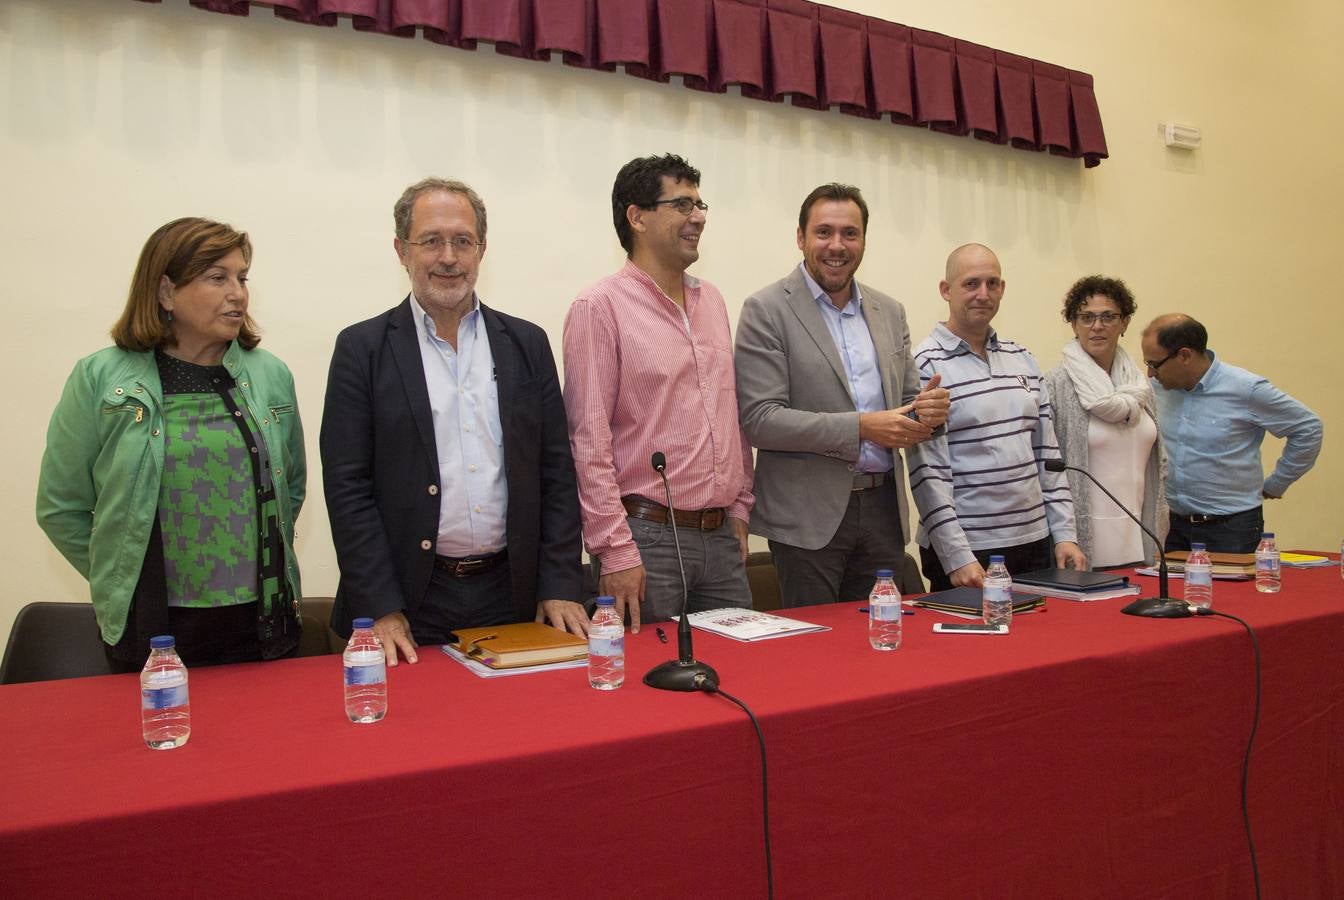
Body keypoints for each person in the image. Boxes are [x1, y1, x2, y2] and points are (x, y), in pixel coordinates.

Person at [322, 178, 586, 666]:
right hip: (409, 601)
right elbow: (347, 488)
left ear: (481, 250)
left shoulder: (527, 344)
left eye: (462, 241)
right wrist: (381, 606)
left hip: (515, 593)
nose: (448, 257)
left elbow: (556, 474)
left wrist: (560, 583)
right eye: (431, 241)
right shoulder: (362, 350)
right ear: (402, 250)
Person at [37, 217, 305, 671]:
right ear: (165, 292)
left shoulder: (270, 375)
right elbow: (60, 506)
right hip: (153, 625)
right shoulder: (101, 378)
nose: (238, 292)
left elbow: (291, 486)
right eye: (217, 278)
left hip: (260, 622)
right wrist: (124, 580)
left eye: (241, 277)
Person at [563, 153, 754, 632]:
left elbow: (728, 414)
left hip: (722, 538)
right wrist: (614, 548)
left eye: (701, 204)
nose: (700, 217)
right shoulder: (598, 307)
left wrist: (740, 506)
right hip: (646, 539)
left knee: (750, 680)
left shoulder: (712, 300)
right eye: (683, 205)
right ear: (637, 216)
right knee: (654, 692)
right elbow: (588, 442)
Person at [735, 183, 950, 606]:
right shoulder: (766, 310)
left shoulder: (890, 311)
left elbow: (908, 405)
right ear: (801, 237)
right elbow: (760, 419)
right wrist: (863, 427)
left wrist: (929, 412)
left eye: (850, 233)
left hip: (883, 510)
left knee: (883, 645)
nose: (837, 245)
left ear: (864, 240)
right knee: (818, 655)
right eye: (824, 232)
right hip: (806, 520)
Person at [907, 243, 1087, 590]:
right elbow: (928, 475)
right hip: (969, 552)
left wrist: (1065, 533)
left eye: (993, 283)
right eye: (971, 284)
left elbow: (1048, 458)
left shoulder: (1023, 359)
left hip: (1035, 541)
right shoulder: (923, 366)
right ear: (946, 290)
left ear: (1002, 288)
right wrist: (956, 556)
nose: (983, 294)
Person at [1140, 314, 1322, 553]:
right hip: (1170, 525)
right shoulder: (1155, 389)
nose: (1150, 373)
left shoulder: (1246, 389)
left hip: (1231, 529)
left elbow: (1308, 428)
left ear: (1185, 355)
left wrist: (1276, 483)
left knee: (1231, 592)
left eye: (1154, 364)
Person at [1044, 276, 1167, 567]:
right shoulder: (1055, 385)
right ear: (1074, 324)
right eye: (1086, 318)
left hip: (1142, 532)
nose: (1097, 326)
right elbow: (1046, 469)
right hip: (1083, 540)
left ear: (1124, 323)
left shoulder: (1140, 386)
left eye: (1108, 317)